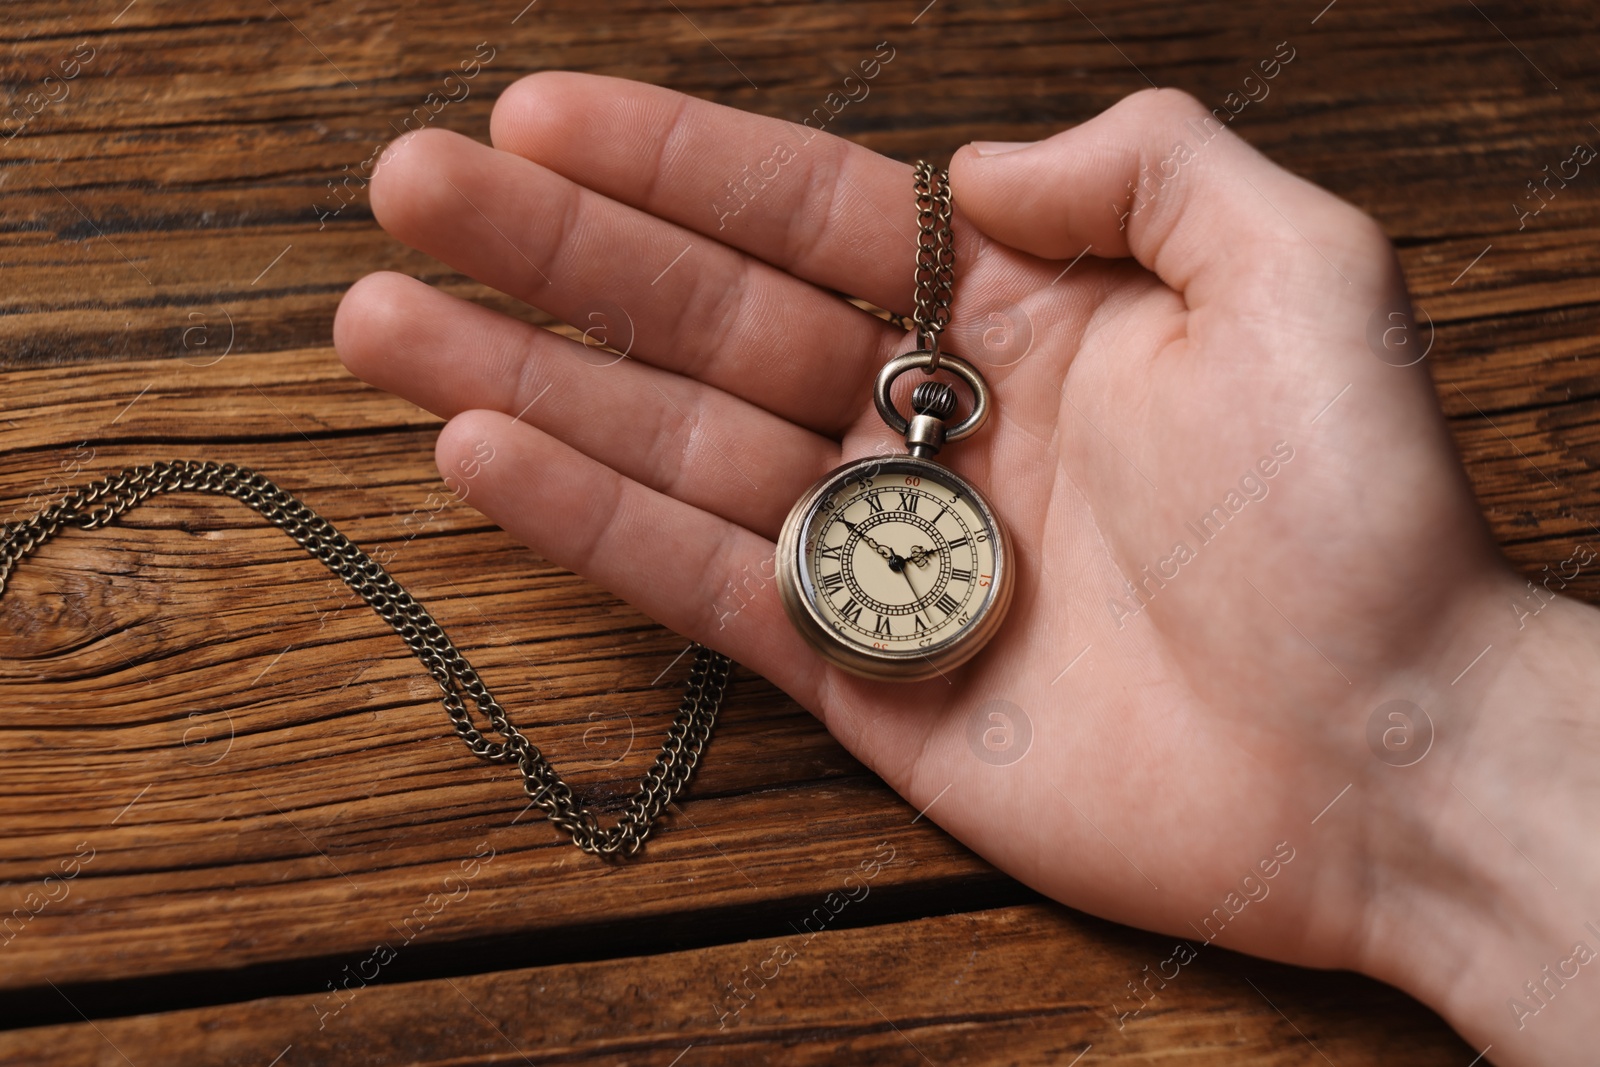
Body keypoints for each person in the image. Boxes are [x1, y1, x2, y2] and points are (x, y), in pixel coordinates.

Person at [333, 73, 1600, 1065]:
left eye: (904, 548)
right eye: (884, 542)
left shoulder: (930, 512)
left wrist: (1442, 713)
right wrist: (1450, 751)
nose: (893, 545)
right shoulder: (886, 506)